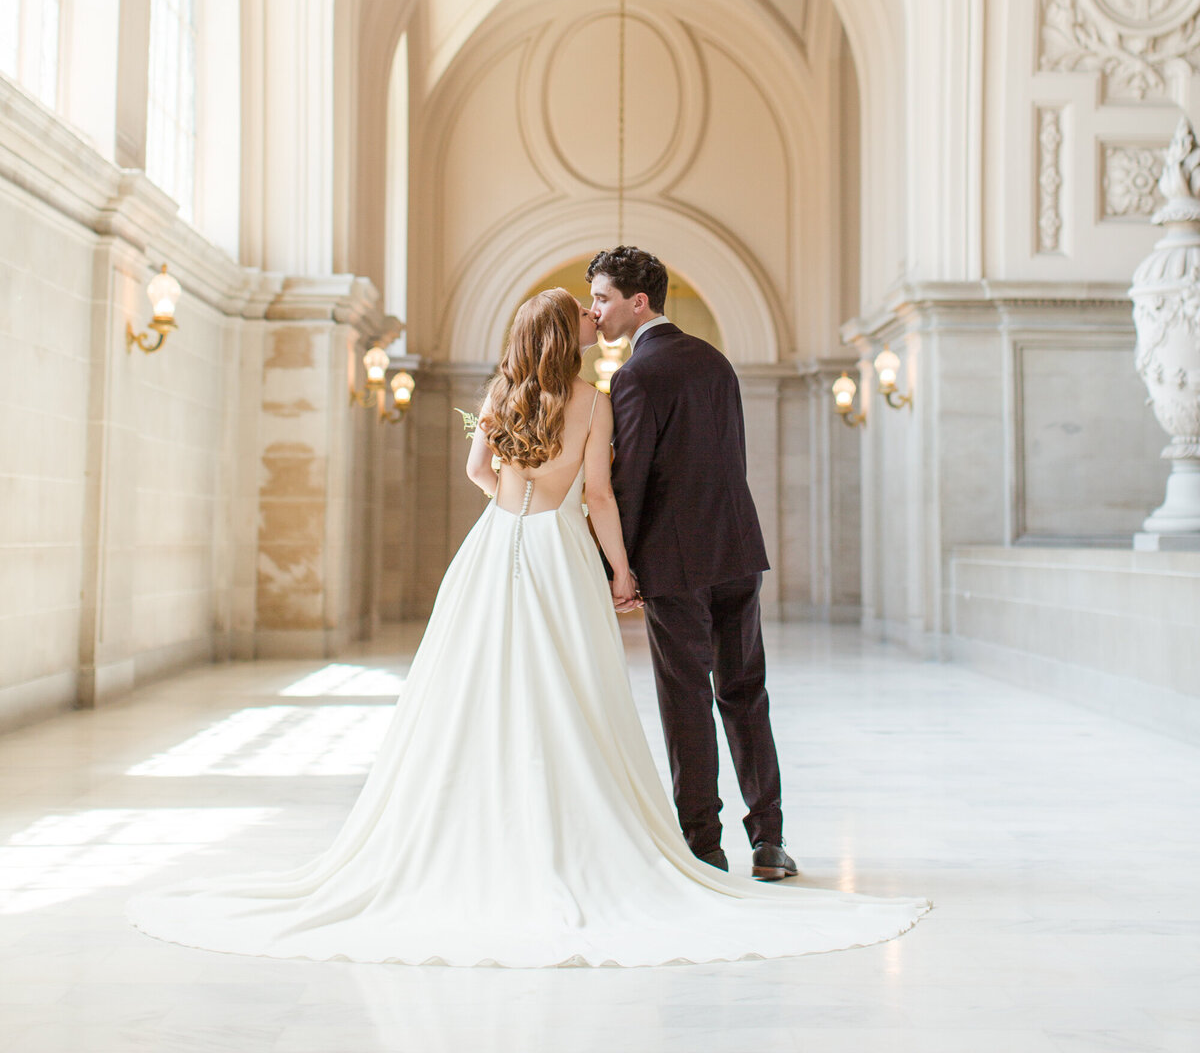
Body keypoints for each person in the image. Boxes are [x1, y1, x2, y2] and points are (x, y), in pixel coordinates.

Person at [129, 288, 926, 966]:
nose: (592, 318)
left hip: (493, 547)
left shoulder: (502, 392)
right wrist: (620, 570)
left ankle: (480, 822)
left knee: (478, 686)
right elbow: (601, 498)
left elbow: (478, 470)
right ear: (564, 336)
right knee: (567, 689)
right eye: (581, 315)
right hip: (555, 550)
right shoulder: (593, 402)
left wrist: (507, 513)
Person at [589, 246, 792, 879]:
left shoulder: (635, 377)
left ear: (637, 301)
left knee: (685, 700)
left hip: (676, 561)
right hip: (737, 549)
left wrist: (613, 567)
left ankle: (704, 845)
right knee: (745, 692)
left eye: (601, 298)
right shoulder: (716, 362)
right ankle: (769, 841)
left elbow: (632, 484)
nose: (594, 312)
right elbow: (735, 457)